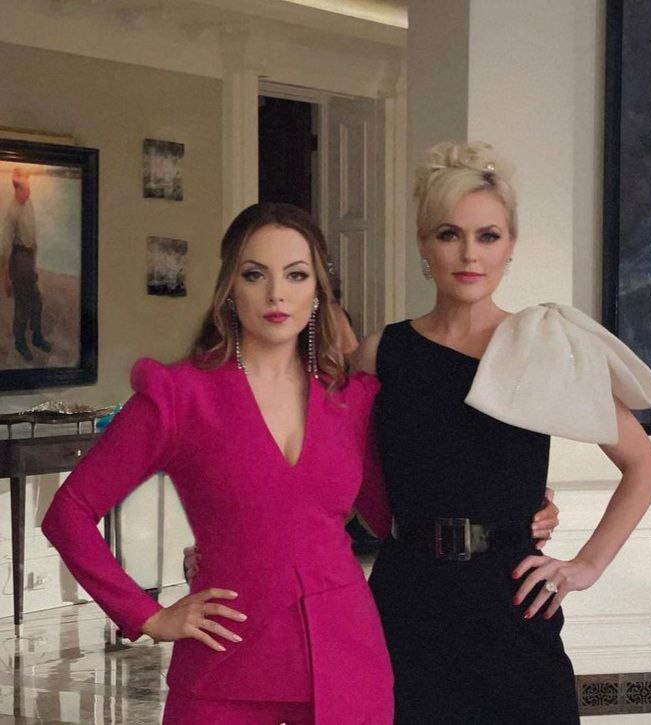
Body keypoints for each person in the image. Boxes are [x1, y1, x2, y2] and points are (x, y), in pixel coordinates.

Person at [42, 202, 395, 724]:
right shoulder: (180, 396)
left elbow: (395, 519)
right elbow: (68, 512)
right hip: (222, 665)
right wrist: (147, 615)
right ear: (230, 287)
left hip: (346, 661)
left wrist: (514, 515)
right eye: (255, 275)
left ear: (318, 290)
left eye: (296, 275)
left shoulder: (353, 399)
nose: (276, 294)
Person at [352, 141, 651, 724]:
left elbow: (644, 465)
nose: (469, 254)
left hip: (512, 599)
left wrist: (587, 565)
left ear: (511, 245)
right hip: (408, 602)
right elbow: (339, 475)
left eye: (488, 236)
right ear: (424, 244)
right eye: (449, 234)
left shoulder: (542, 345)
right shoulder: (381, 354)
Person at [2, 167, 51, 361]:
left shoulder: (28, 203)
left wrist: (34, 265)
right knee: (23, 305)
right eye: (26, 189)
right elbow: (5, 249)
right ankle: (20, 342)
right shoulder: (11, 213)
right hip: (18, 258)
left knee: (37, 302)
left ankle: (37, 337)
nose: (29, 192)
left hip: (29, 258)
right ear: (17, 189)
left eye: (30, 188)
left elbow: (33, 237)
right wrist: (5, 279)